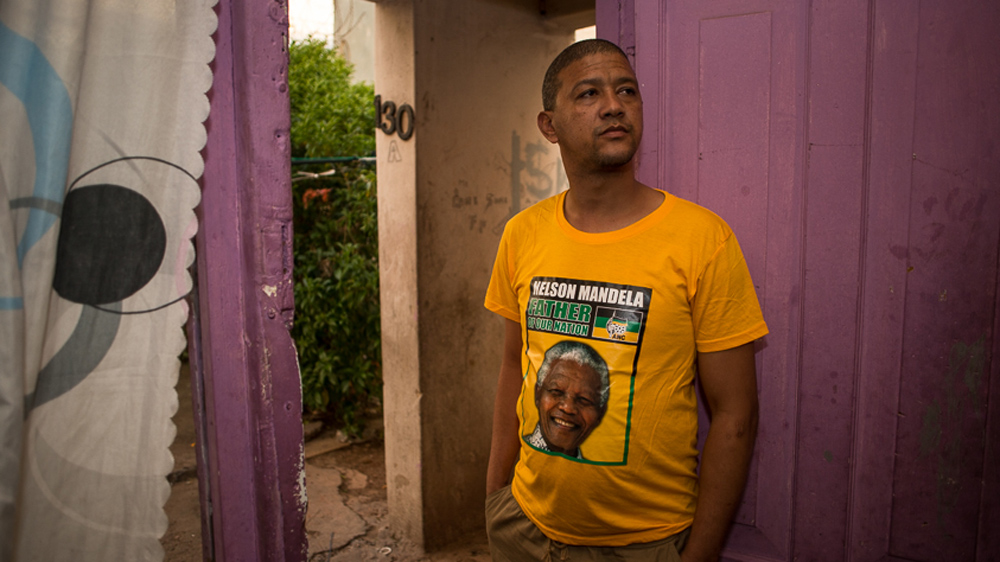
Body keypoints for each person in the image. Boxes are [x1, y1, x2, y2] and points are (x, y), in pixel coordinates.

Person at [483, 38, 768, 562]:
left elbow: (736, 414)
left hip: (646, 545)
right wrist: (495, 494)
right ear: (549, 126)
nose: (613, 105)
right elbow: (511, 368)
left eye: (627, 91)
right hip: (522, 529)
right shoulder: (522, 235)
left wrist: (697, 555)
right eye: (589, 93)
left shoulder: (703, 239)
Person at [527, 340, 610, 459]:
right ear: (538, 394)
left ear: (601, 413)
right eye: (556, 392)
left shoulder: (599, 471)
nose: (568, 408)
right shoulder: (522, 453)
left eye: (584, 399)